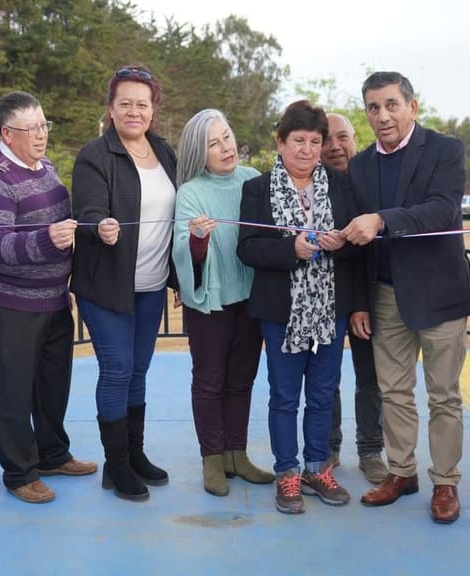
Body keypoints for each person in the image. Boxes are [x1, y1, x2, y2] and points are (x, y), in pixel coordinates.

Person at [342, 71, 470, 524]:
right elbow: (357, 245)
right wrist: (360, 302)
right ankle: (402, 472)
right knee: (393, 392)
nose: (382, 116)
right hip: (384, 295)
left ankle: (445, 482)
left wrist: (382, 218)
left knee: (444, 395)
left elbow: (442, 209)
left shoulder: (445, 150)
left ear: (412, 107)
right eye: (373, 107)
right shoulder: (360, 166)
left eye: (390, 105)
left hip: (439, 293)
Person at [0, 91, 98, 504]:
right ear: (7, 132)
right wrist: (46, 240)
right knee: (14, 393)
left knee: (51, 386)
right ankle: (20, 473)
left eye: (44, 125)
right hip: (9, 304)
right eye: (32, 128)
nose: (41, 134)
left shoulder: (46, 167)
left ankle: (53, 454)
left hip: (52, 300)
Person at [237, 100, 362, 514]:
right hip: (281, 312)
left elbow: (358, 247)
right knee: (285, 396)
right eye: (298, 141)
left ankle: (316, 468)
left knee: (324, 393)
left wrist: (339, 244)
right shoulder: (256, 189)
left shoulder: (342, 186)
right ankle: (287, 473)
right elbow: (248, 248)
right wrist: (290, 248)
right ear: (280, 141)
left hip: (331, 308)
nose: (307, 150)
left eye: (314, 141)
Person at [71, 64, 177, 502]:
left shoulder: (166, 153)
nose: (134, 111)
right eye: (125, 103)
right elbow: (88, 210)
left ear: (153, 110)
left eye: (142, 104)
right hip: (107, 285)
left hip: (151, 284)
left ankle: (133, 454)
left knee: (139, 370)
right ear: (111, 109)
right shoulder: (95, 155)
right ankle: (115, 466)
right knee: (117, 369)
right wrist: (101, 225)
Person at [172, 109, 274, 496]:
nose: (225, 147)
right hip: (211, 302)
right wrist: (198, 239)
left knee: (242, 379)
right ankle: (212, 459)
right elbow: (183, 249)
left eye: (227, 136)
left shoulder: (252, 179)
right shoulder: (191, 191)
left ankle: (238, 453)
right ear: (200, 151)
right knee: (210, 380)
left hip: (251, 296)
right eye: (213, 143)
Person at [320, 112, 388, 483]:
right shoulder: (312, 185)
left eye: (341, 137)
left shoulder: (370, 180)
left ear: (354, 139)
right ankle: (328, 447)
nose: (334, 147)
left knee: (370, 377)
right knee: (324, 379)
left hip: (367, 296)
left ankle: (370, 449)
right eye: (326, 139)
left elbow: (369, 251)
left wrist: (362, 301)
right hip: (325, 299)